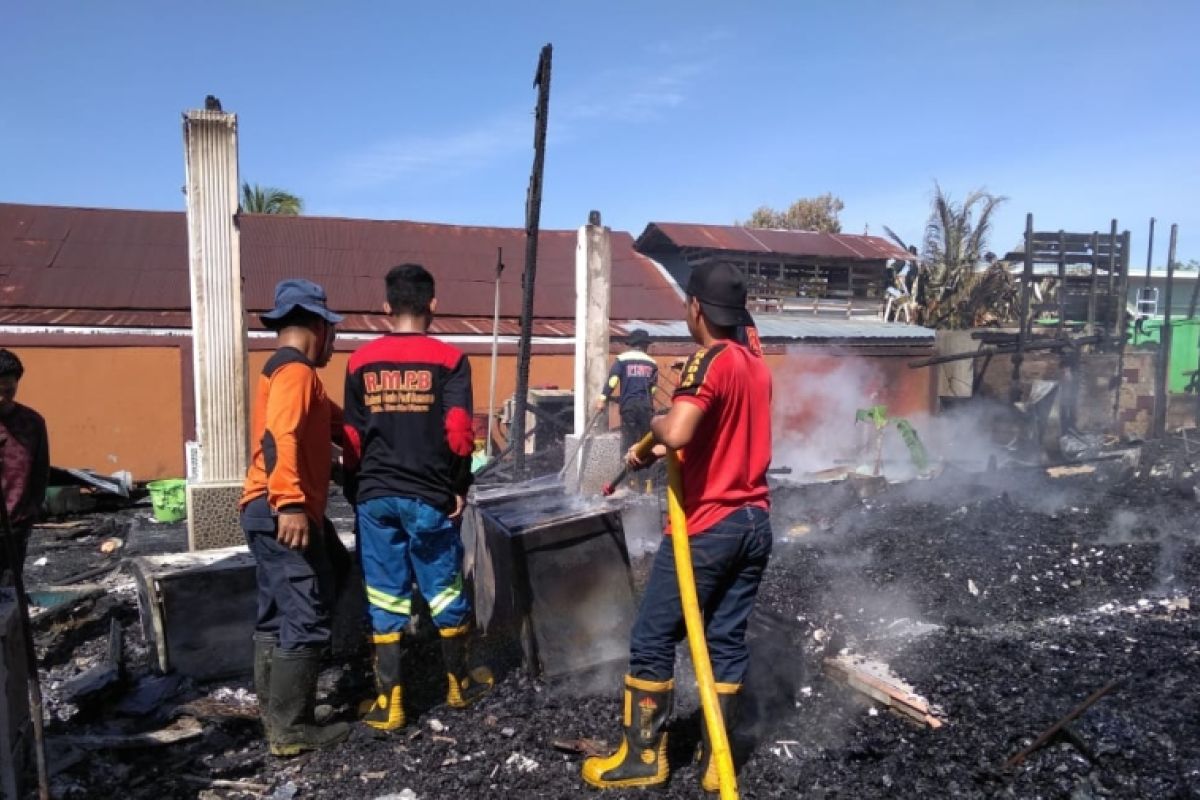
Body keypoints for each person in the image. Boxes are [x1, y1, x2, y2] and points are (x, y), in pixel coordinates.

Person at [581, 262, 773, 793]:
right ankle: (719, 761)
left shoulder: (708, 359)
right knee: (725, 640)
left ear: (695, 308)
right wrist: (661, 452)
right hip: (755, 522)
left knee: (651, 636)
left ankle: (643, 759)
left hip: (709, 525)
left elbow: (684, 427)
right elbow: (720, 435)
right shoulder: (755, 363)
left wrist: (660, 426)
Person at [343, 263, 492, 732]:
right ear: (433, 304)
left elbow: (351, 436)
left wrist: (357, 491)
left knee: (384, 594)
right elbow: (460, 434)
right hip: (429, 494)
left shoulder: (358, 362)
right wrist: (458, 488)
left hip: (375, 495)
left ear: (386, 307)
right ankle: (459, 684)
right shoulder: (450, 360)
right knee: (443, 586)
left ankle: (390, 703)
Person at [239, 279, 349, 757]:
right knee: (305, 612)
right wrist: (291, 503)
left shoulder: (288, 372)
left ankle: (275, 716)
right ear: (318, 327)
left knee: (277, 611)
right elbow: (278, 436)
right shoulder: (297, 373)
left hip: (264, 508)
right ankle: (290, 728)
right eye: (333, 331)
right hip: (280, 507)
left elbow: (332, 426)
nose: (334, 342)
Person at [0, 349, 49, 587]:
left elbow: (40, 473)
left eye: (7, 390)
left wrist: (30, 513)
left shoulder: (32, 424)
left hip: (16, 524)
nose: (1, 398)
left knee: (10, 590)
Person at [594, 329, 659, 453]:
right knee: (645, 441)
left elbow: (613, 380)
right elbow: (653, 389)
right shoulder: (652, 363)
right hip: (646, 406)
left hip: (628, 406)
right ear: (645, 345)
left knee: (629, 439)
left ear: (631, 344)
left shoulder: (622, 360)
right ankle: (644, 469)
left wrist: (603, 399)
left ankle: (626, 467)